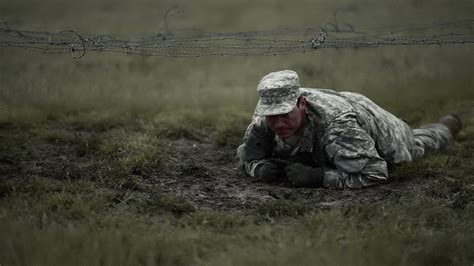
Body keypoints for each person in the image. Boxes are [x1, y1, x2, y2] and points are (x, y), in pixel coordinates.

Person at [236, 70, 462, 189]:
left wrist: (320, 177)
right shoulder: (267, 111)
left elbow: (375, 173)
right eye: (272, 118)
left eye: (285, 115)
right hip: (353, 111)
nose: (278, 124)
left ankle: (446, 126)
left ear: (302, 104)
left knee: (418, 142)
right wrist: (258, 168)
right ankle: (380, 127)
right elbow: (245, 154)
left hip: (384, 134)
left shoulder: (337, 126)